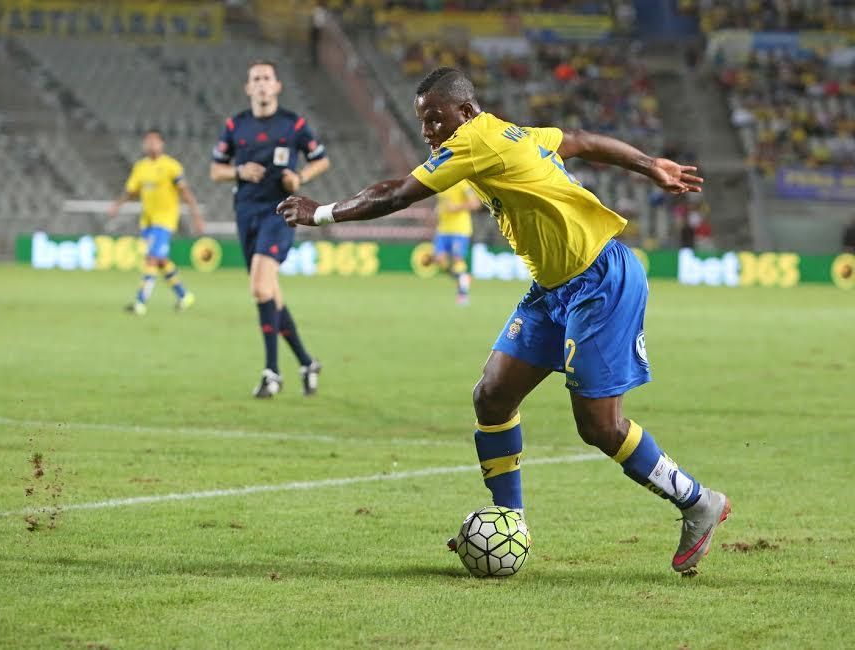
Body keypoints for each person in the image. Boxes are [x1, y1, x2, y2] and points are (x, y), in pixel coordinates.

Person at [278, 67, 729, 574]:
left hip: (601, 280)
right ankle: (506, 522)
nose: (427, 132)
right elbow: (580, 141)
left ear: (464, 112)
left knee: (599, 427)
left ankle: (698, 503)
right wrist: (650, 165)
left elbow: (397, 193)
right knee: (491, 395)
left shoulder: (474, 140)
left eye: (434, 120)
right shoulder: (511, 133)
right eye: (422, 122)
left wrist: (322, 214)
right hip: (552, 290)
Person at [210, 60, 331, 398]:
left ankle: (271, 372)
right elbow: (215, 170)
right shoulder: (236, 125)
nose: (262, 84)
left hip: (280, 213)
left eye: (267, 78)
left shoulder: (294, 124)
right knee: (269, 292)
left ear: (277, 86)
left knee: (260, 288)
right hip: (246, 213)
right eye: (255, 79)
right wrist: (238, 171)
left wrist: (301, 178)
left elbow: (321, 159)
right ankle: (307, 362)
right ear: (248, 88)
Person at [108, 129, 205, 316]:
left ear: (162, 144)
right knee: (160, 261)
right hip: (148, 221)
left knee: (151, 259)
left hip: (166, 219)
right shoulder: (140, 167)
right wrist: (117, 206)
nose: (151, 144)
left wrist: (196, 217)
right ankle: (184, 296)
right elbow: (131, 191)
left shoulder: (172, 166)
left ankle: (140, 302)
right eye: (148, 141)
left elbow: (185, 192)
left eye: (154, 141)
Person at [432, 181, 480, 305]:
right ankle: (464, 278)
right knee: (440, 260)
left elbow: (475, 203)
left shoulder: (462, 183)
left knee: (457, 259)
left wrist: (456, 207)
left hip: (459, 229)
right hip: (443, 229)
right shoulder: (441, 182)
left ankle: (462, 294)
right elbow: (442, 203)